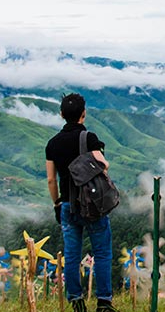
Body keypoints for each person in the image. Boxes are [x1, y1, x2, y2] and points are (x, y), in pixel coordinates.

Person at [46, 93, 117, 312]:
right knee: (102, 252)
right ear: (83, 114)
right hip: (92, 204)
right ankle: (104, 302)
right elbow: (103, 165)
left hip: (67, 205)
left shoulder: (53, 144)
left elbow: (51, 179)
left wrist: (57, 204)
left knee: (72, 254)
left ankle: (76, 300)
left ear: (61, 115)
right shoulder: (89, 138)